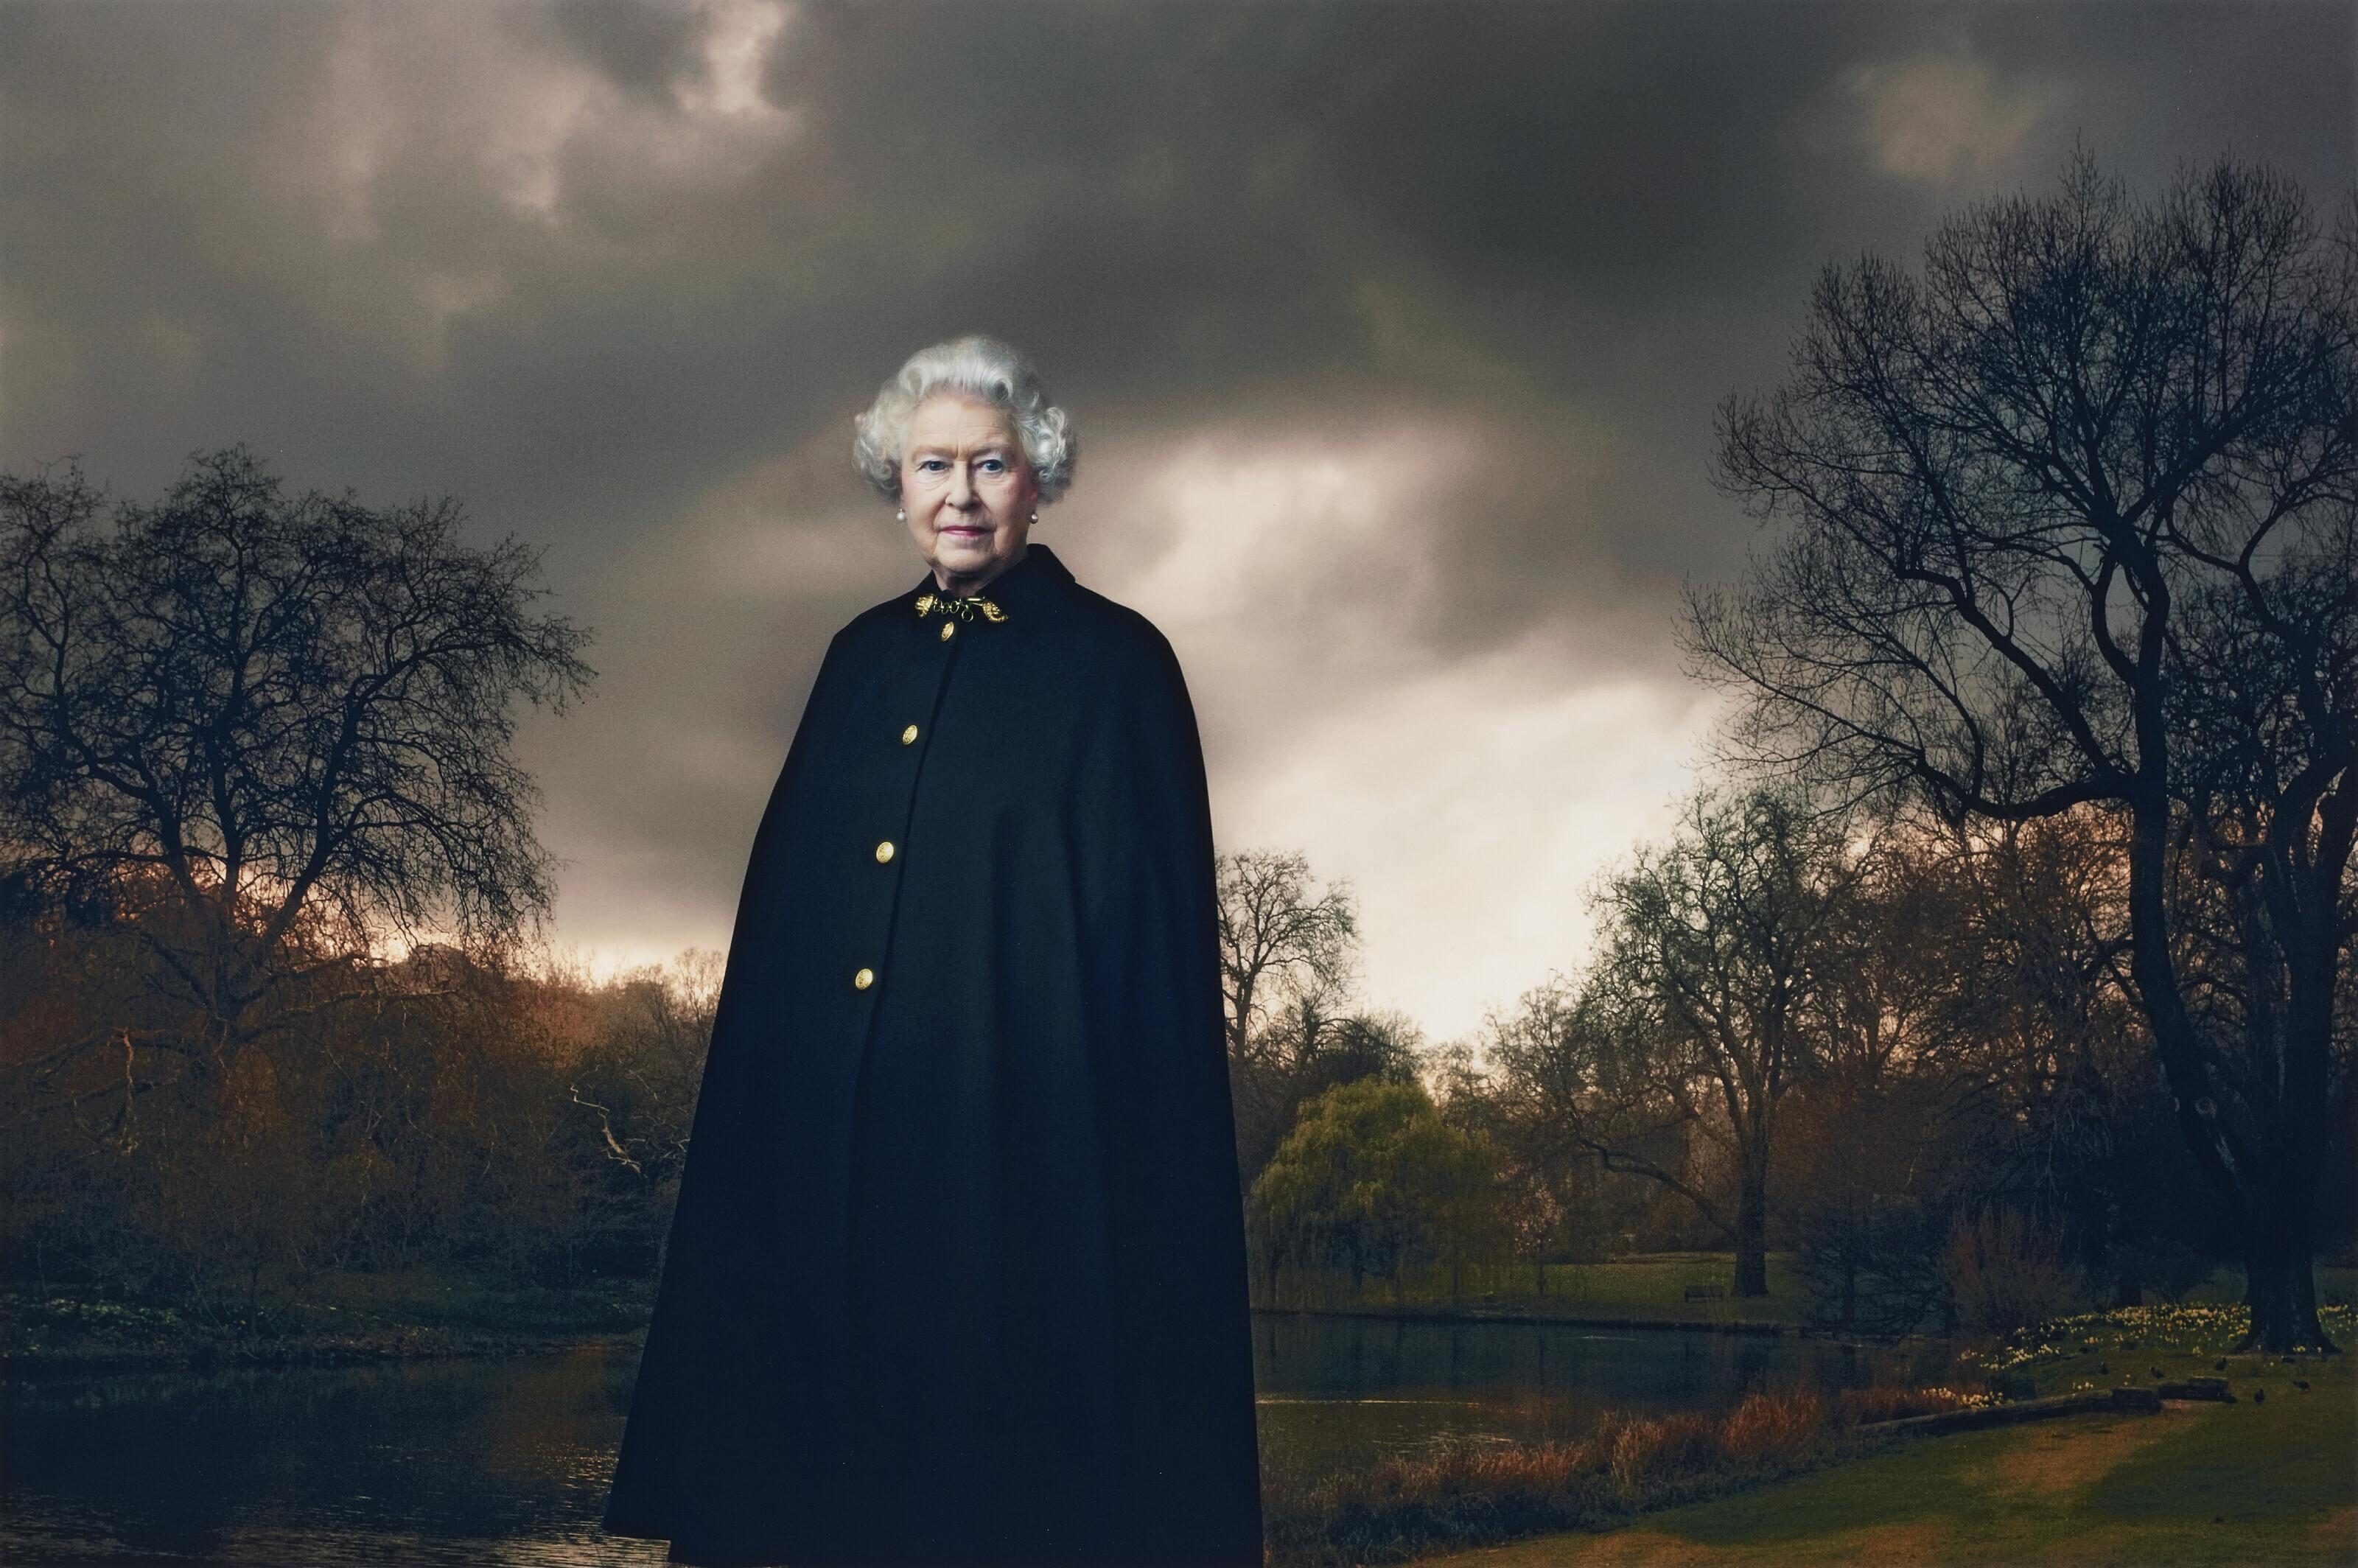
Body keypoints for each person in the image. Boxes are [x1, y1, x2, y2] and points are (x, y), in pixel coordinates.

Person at [601, 335, 1265, 1567]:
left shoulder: (1118, 665)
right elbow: (789, 934)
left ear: (1039, 475)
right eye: (931, 466)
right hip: (826, 1175)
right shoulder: (858, 661)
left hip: (1017, 1169)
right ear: (896, 483)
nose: (959, 494)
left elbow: (1144, 975)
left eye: (991, 464)